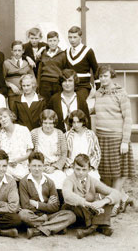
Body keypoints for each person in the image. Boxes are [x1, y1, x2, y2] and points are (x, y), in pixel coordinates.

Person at [94, 65, 135, 215]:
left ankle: (115, 204)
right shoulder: (98, 93)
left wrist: (125, 140)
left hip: (117, 138)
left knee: (118, 173)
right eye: (101, 76)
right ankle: (123, 197)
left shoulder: (121, 93)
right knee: (105, 174)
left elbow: (128, 118)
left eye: (106, 76)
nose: (103, 79)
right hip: (101, 138)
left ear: (111, 76)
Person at [18, 152, 76, 239]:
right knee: (22, 214)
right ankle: (56, 227)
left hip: (49, 215)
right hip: (33, 215)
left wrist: (37, 204)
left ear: (43, 166)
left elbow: (56, 207)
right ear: (29, 166)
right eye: (34, 166)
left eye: (39, 166)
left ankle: (37, 230)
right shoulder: (24, 182)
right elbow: (26, 206)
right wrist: (48, 205)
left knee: (71, 215)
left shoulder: (49, 182)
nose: (37, 169)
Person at [62, 154, 121, 239]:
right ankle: (100, 226)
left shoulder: (92, 181)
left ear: (89, 169)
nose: (81, 173)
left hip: (90, 212)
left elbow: (116, 193)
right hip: (77, 213)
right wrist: (90, 205)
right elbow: (67, 196)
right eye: (78, 169)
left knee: (109, 202)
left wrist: (103, 202)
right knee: (75, 205)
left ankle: (91, 229)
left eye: (84, 170)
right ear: (73, 168)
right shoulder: (69, 180)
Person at [30, 110, 67, 190]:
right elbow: (30, 153)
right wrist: (40, 166)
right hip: (39, 167)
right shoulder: (34, 133)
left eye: (50, 123)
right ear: (41, 122)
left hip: (54, 168)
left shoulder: (59, 133)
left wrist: (54, 167)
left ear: (54, 123)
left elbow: (64, 154)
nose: (48, 126)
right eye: (45, 123)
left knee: (61, 183)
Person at [0, 108, 33, 181]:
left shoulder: (23, 130)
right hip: (6, 167)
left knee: (24, 177)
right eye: (0, 118)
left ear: (11, 116)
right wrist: (7, 163)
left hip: (22, 165)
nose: (3, 120)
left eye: (5, 117)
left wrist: (18, 160)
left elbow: (29, 152)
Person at [47, 69, 90, 133]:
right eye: (64, 81)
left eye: (70, 81)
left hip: (77, 137)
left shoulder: (81, 99)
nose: (67, 84)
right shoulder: (54, 99)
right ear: (61, 83)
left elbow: (86, 121)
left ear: (74, 82)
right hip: (59, 137)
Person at [65, 109, 101, 180]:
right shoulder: (67, 136)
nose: (76, 125)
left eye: (78, 122)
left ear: (83, 122)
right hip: (72, 168)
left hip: (88, 168)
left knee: (93, 180)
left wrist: (91, 166)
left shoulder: (91, 134)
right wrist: (71, 165)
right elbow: (64, 153)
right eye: (74, 122)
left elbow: (97, 152)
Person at [66, 26, 99, 100]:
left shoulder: (88, 51)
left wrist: (98, 89)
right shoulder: (67, 51)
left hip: (84, 86)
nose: (72, 40)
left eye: (75, 37)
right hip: (69, 86)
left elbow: (96, 70)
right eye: (70, 37)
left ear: (80, 38)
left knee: (79, 102)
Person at [37, 31, 67, 103]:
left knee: (57, 104)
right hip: (45, 83)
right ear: (47, 42)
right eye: (50, 41)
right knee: (45, 104)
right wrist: (38, 85)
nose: (52, 43)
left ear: (58, 41)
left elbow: (65, 70)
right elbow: (39, 71)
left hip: (57, 83)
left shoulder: (63, 54)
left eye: (54, 40)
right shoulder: (43, 53)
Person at [3, 40, 34, 108]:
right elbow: (2, 79)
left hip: (25, 94)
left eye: (19, 50)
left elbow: (33, 79)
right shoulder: (7, 63)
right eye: (15, 50)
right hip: (12, 94)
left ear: (23, 51)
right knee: (13, 115)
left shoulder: (27, 64)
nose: (17, 53)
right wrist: (11, 85)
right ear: (12, 51)